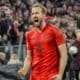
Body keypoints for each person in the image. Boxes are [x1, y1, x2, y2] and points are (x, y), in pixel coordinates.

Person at [18, 3, 68, 80]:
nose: (34, 15)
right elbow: (29, 57)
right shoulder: (29, 34)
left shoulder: (55, 31)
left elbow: (64, 55)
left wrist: (60, 74)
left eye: (37, 13)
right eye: (32, 14)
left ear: (44, 15)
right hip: (35, 76)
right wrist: (25, 69)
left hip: (51, 76)